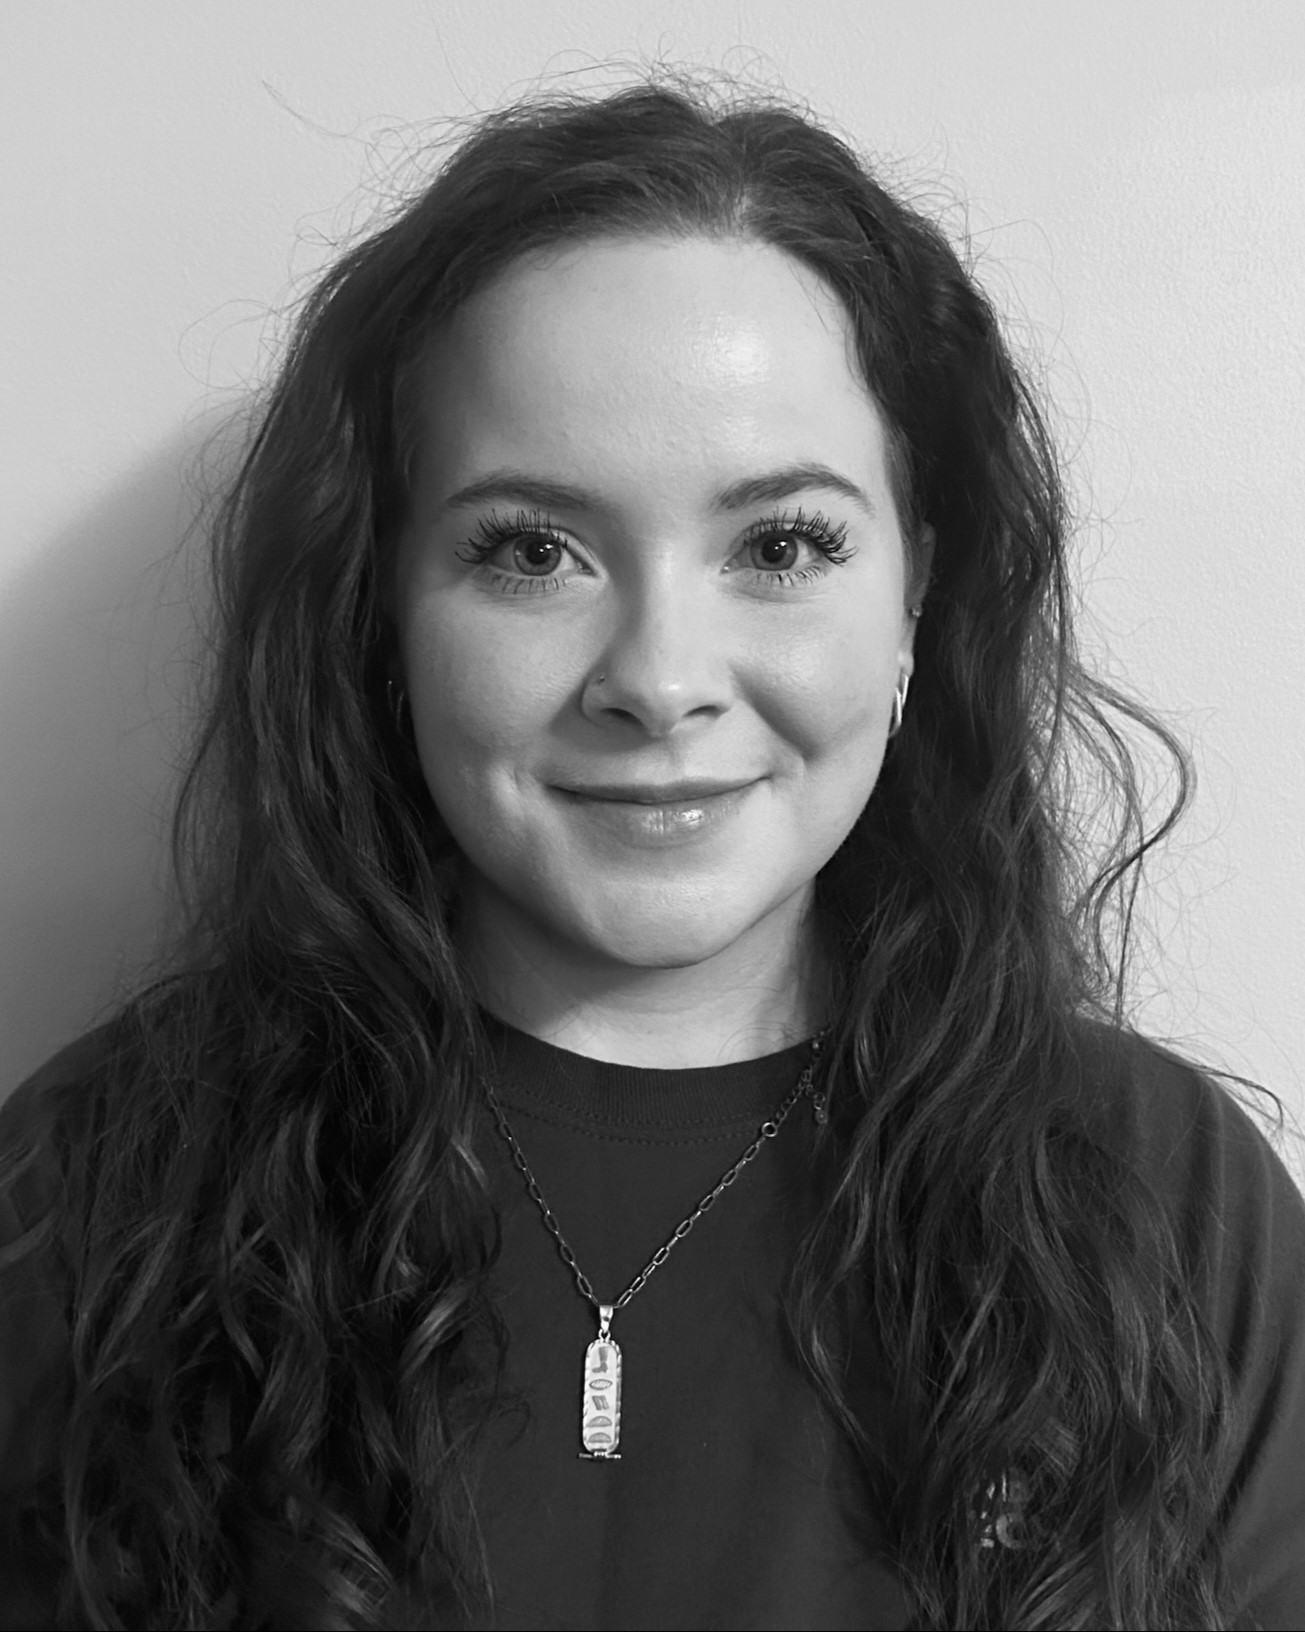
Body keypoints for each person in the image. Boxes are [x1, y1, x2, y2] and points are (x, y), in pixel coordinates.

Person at [1, 73, 1302, 1632]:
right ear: (382, 610)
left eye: (781, 544)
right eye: (531, 550)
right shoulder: (99, 1195)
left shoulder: (1165, 1202)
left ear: (912, 599)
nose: (660, 679)